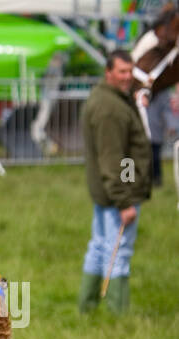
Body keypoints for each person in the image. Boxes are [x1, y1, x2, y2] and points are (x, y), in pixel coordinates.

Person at [78, 49, 152, 314]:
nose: (127, 76)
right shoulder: (110, 109)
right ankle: (117, 313)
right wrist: (125, 200)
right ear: (108, 72)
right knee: (117, 251)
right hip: (114, 196)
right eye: (121, 71)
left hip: (108, 191)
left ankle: (87, 306)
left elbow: (126, 158)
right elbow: (114, 160)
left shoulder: (113, 99)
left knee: (99, 245)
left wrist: (127, 186)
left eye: (130, 71)